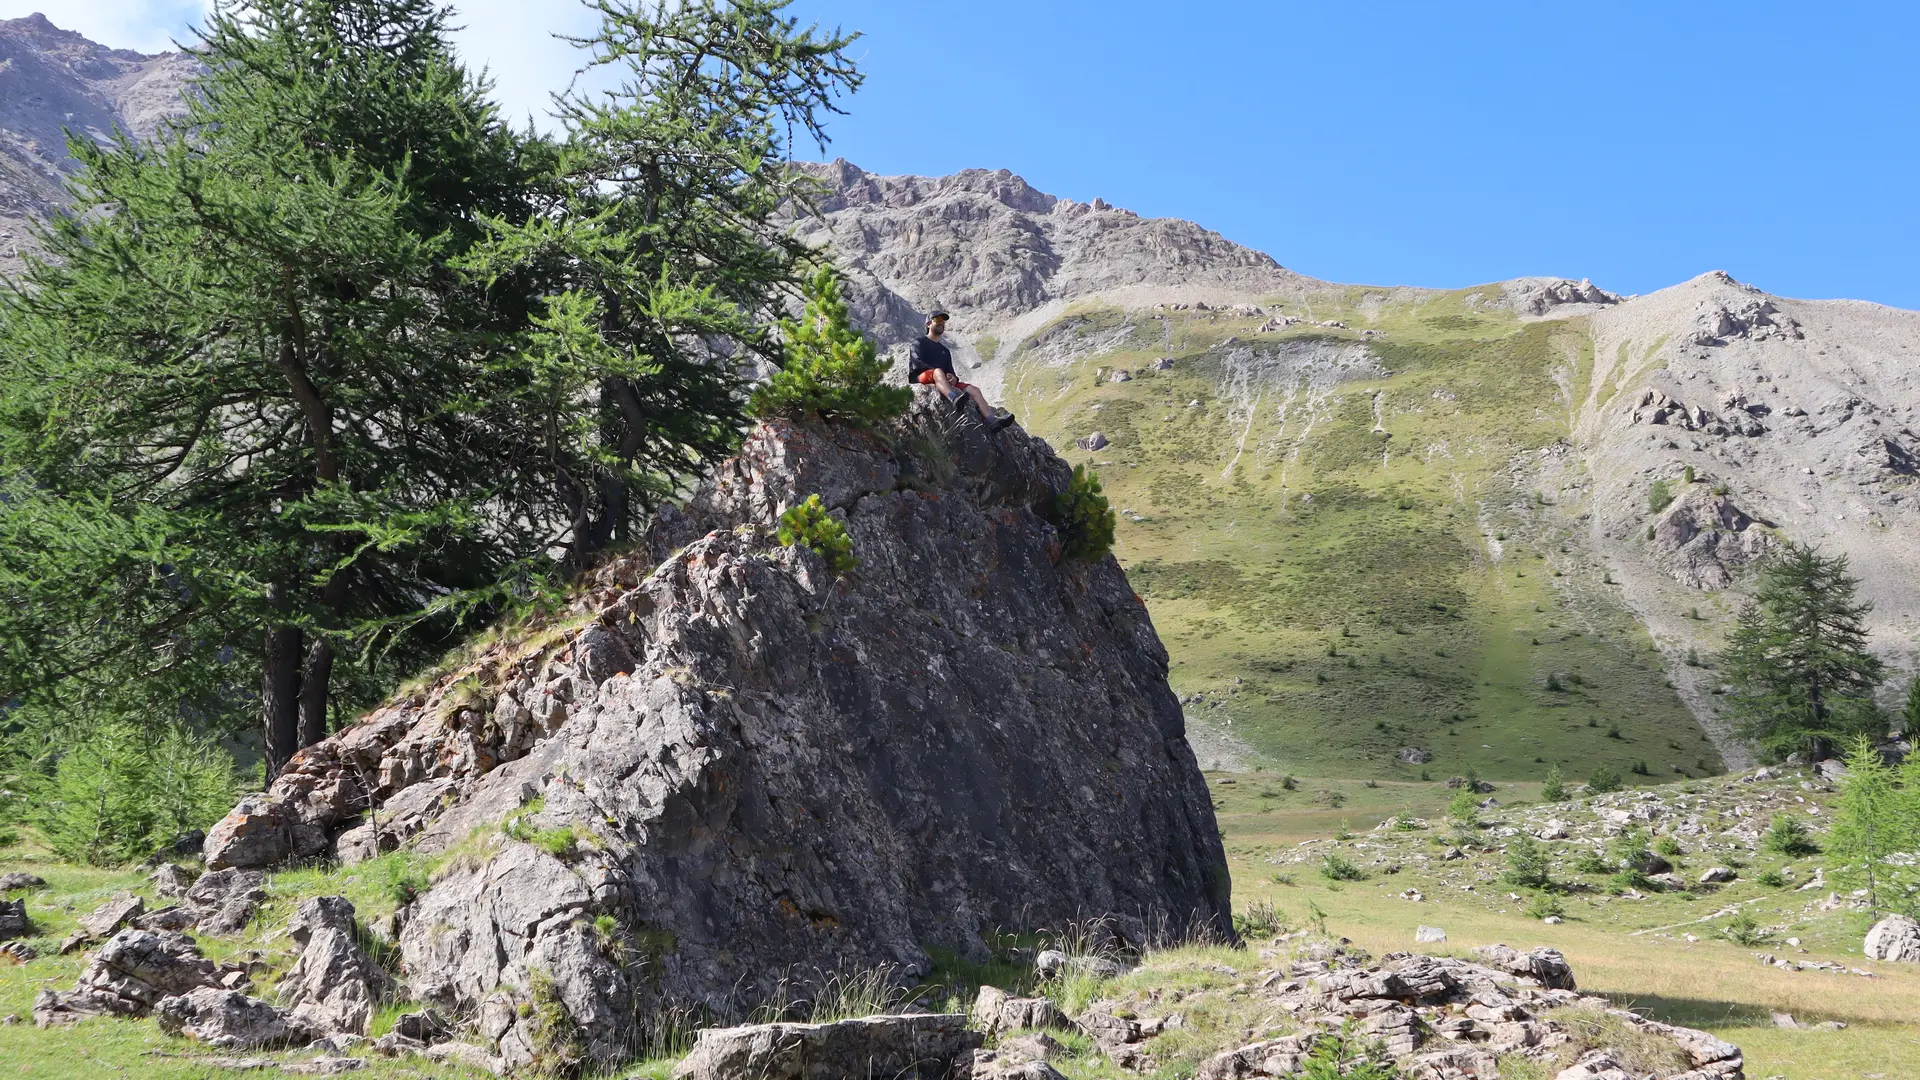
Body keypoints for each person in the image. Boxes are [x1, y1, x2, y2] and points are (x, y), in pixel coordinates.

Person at [908, 308, 1014, 432]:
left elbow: (951, 371)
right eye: (937, 319)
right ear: (928, 324)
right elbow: (916, 363)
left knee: (974, 390)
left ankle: (991, 421)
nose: (941, 322)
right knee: (937, 372)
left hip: (941, 379)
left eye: (943, 321)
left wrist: (953, 378)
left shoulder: (944, 351)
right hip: (922, 377)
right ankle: (954, 398)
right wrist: (937, 372)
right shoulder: (919, 343)